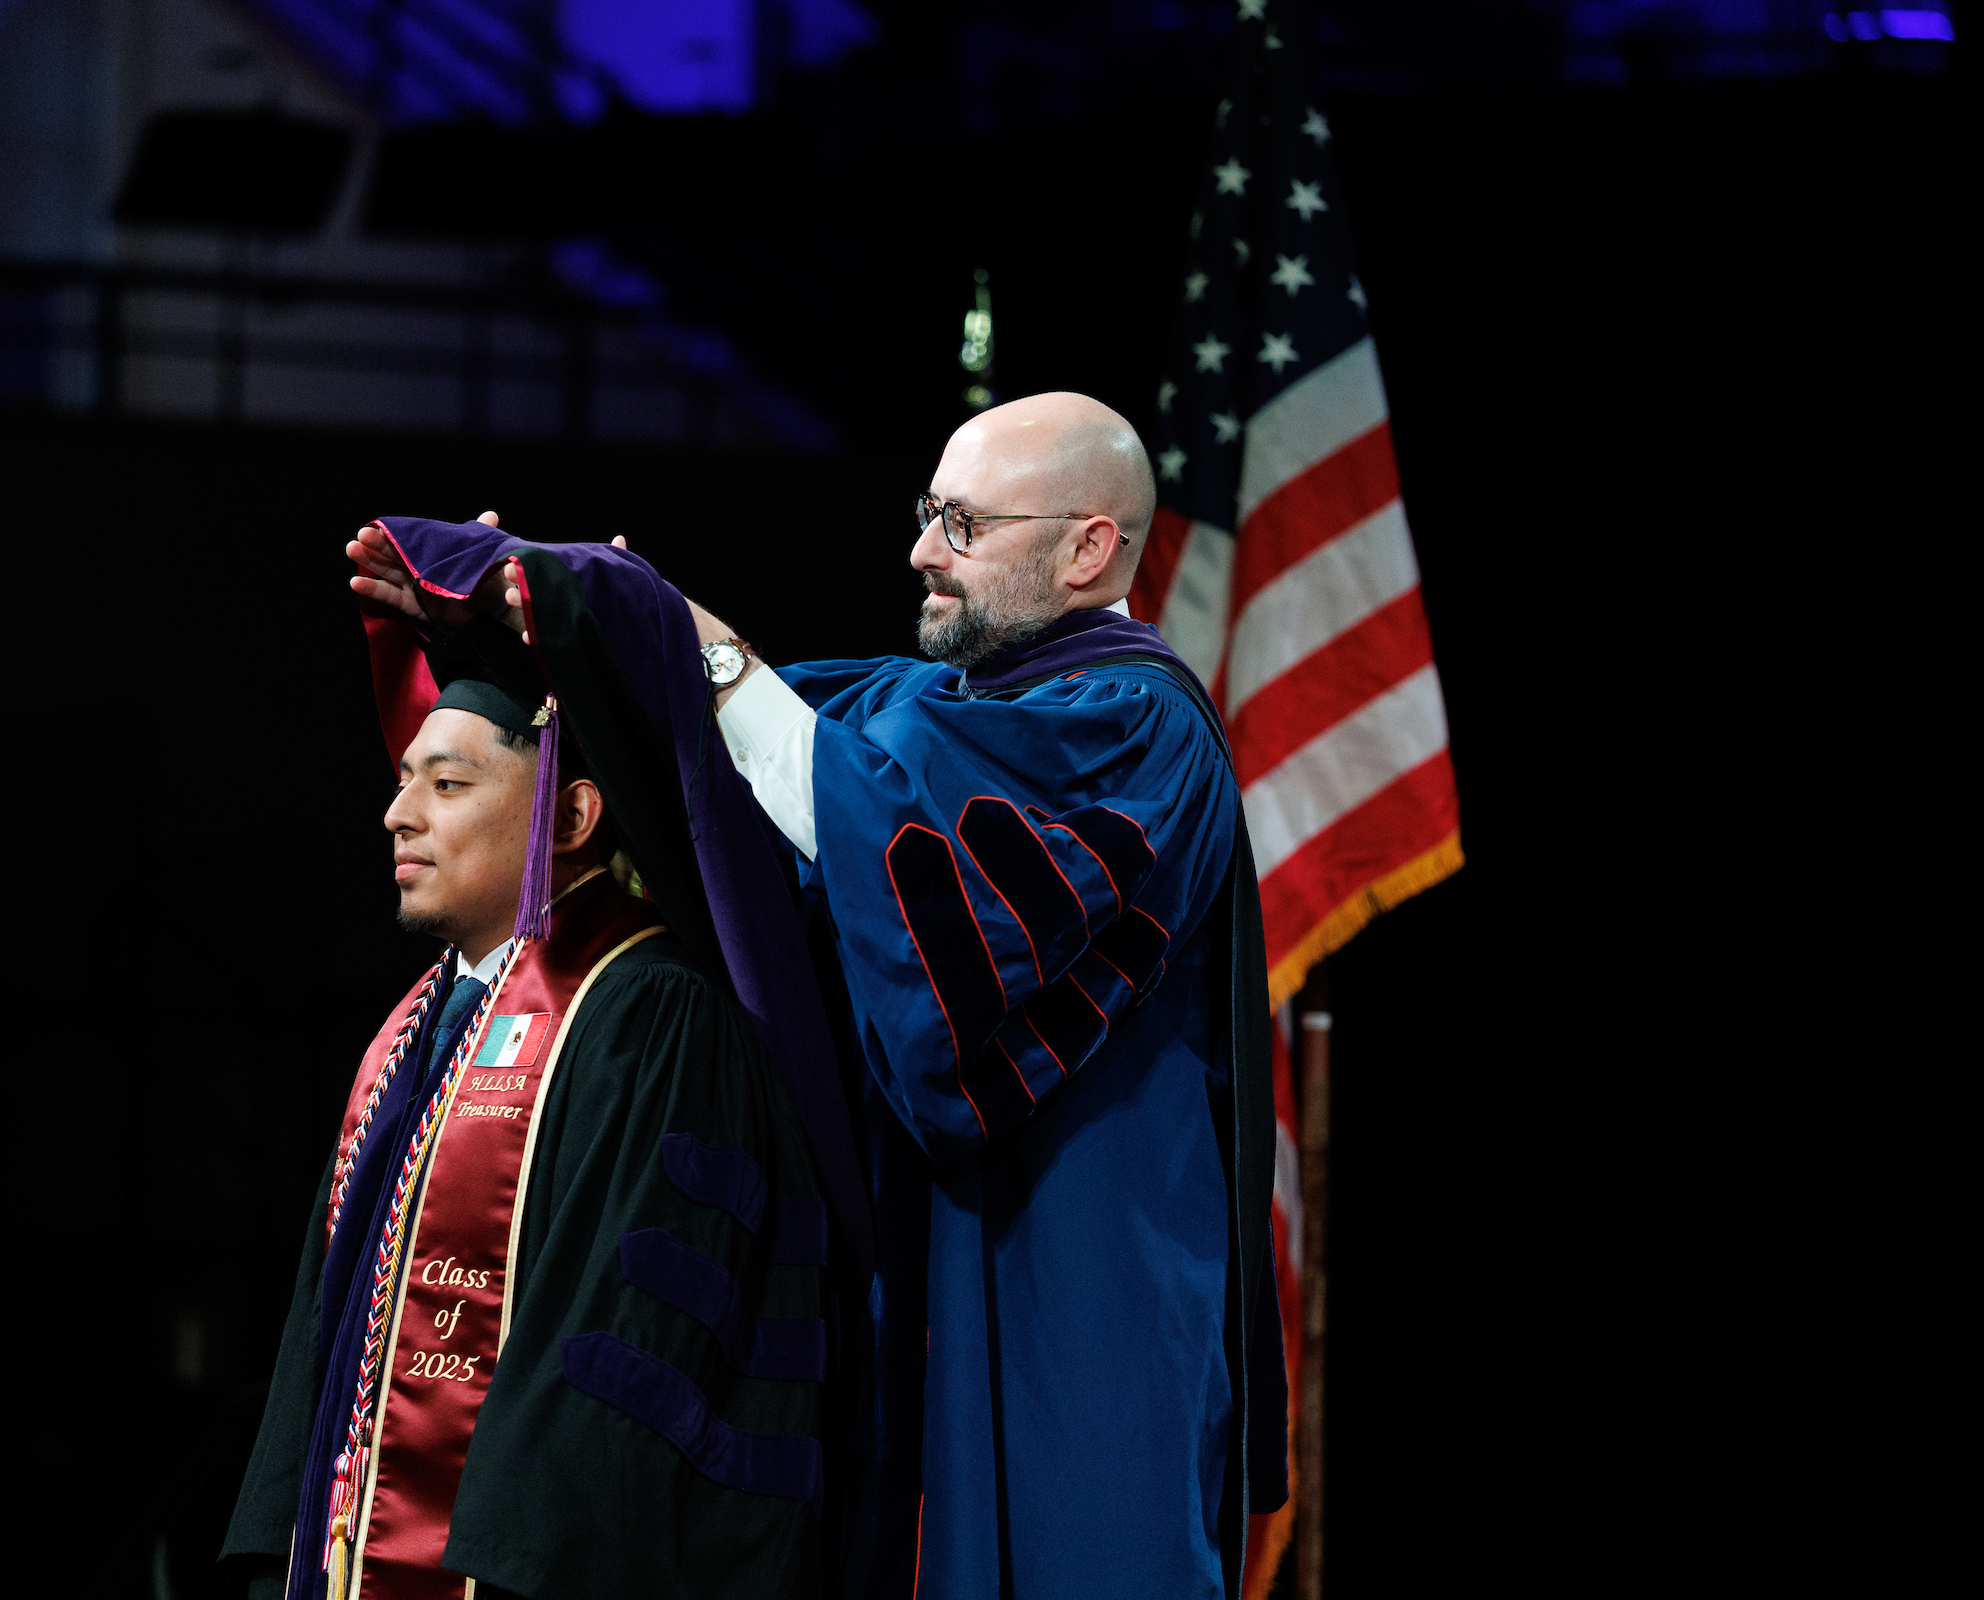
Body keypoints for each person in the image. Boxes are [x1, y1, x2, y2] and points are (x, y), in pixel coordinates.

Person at [345, 390, 1287, 1600]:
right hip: (924, 1284)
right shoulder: (929, 705)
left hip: (1079, 1299)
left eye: (962, 522)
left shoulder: (1136, 729)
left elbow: (867, 821)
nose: (921, 552)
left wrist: (702, 642)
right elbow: (728, 763)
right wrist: (539, 627)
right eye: (924, 512)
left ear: (1088, 547)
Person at [220, 621, 835, 1600]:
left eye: (447, 784)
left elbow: (626, 1351)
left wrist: (512, 1575)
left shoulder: (650, 1017)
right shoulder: (410, 1033)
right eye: (404, 778)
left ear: (572, 815)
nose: (398, 812)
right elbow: (324, 1335)